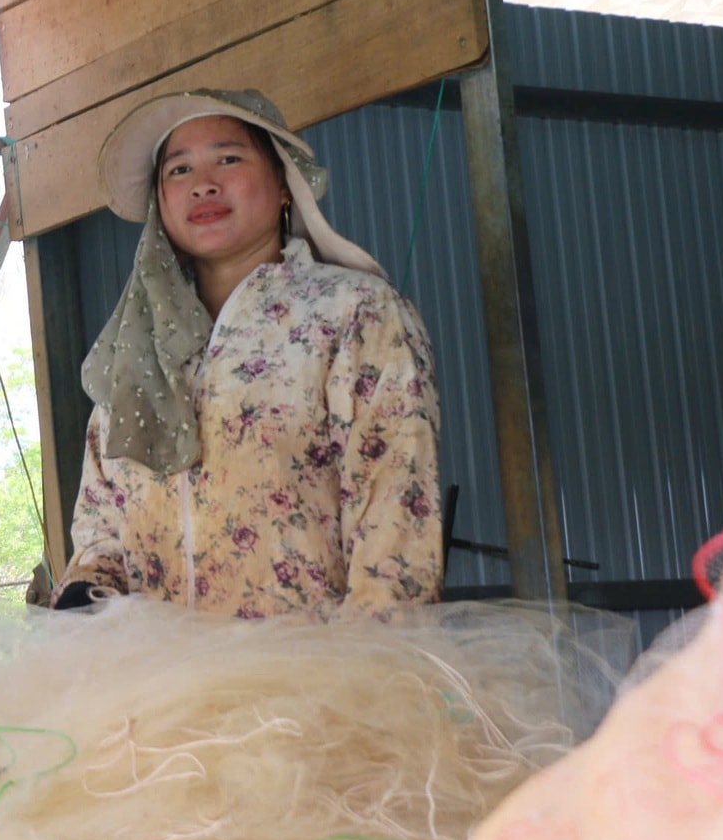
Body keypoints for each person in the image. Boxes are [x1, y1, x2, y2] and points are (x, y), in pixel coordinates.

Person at [51, 89, 441, 621]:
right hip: (161, 671)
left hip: (309, 666)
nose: (203, 184)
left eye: (229, 158)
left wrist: (365, 662)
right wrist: (87, 593)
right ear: (160, 205)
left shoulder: (356, 314)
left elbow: (395, 523)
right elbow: (101, 527)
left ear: (283, 184)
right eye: (179, 169)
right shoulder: (138, 347)